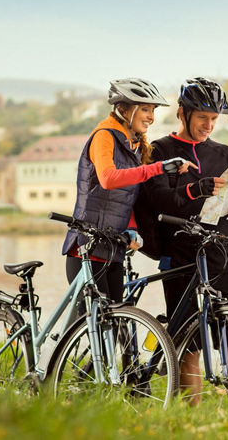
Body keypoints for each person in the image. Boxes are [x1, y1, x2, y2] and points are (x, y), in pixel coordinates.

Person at [141, 77, 228, 411]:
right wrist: (195, 190)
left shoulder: (224, 153)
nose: (209, 125)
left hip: (224, 253)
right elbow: (156, 199)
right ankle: (192, 418)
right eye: (202, 118)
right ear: (183, 113)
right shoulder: (159, 151)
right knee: (189, 346)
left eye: (214, 119)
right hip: (181, 256)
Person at [61, 78, 195, 310]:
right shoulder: (104, 136)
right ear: (124, 109)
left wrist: (131, 227)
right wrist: (159, 167)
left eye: (152, 110)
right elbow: (108, 178)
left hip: (113, 248)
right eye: (145, 109)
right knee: (96, 326)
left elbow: (126, 196)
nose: (151, 116)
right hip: (87, 247)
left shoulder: (132, 145)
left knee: (117, 324)